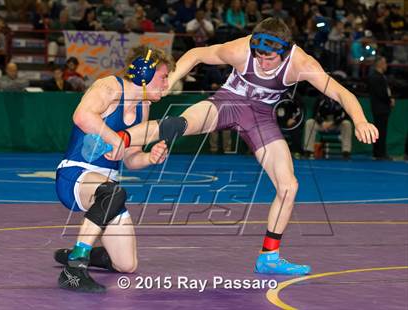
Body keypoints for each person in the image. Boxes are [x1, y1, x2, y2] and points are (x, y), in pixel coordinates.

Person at [124, 17, 378, 275]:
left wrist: (360, 121)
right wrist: (170, 81)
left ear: (285, 52)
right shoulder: (241, 50)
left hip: (260, 118)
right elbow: (197, 53)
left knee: (289, 186)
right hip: (228, 102)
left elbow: (341, 93)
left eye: (270, 59)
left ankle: (269, 256)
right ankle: (119, 139)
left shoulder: (301, 63)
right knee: (182, 124)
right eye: (259, 57)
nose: (263, 64)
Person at [54, 46, 175, 293]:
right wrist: (114, 138)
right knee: (114, 193)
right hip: (75, 174)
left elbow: (130, 159)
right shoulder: (108, 87)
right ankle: (75, 268)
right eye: (163, 77)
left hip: (106, 188)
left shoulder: (143, 107)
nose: (166, 84)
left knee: (126, 265)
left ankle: (89, 253)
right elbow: (81, 116)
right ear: (144, 72)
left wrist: (150, 158)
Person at [368, 56, 394, 160]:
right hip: (379, 108)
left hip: (382, 107)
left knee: (382, 131)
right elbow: (381, 93)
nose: (386, 65)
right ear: (379, 64)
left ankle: (379, 152)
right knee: (380, 131)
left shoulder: (381, 76)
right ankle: (379, 153)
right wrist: (389, 100)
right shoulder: (375, 76)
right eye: (384, 63)